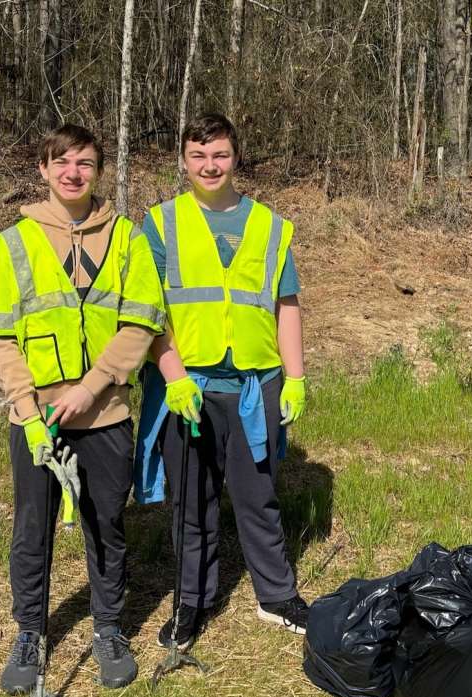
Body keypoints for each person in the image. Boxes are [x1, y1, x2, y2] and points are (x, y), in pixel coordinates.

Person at [0, 124, 166, 693]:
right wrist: (29, 412)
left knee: (105, 525)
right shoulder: (13, 243)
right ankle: (30, 635)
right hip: (36, 420)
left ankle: (109, 629)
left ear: (98, 170)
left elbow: (141, 321)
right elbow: (1, 338)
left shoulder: (130, 239)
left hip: (104, 413)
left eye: (84, 162)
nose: (72, 172)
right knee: (31, 530)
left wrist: (92, 387)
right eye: (61, 162)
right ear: (43, 169)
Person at [134, 113, 309, 652]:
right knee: (192, 501)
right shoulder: (161, 224)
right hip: (187, 389)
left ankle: (276, 596)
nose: (210, 166)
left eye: (221, 155)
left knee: (259, 497)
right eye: (198, 156)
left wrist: (296, 378)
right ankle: (192, 600)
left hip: (255, 387)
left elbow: (287, 306)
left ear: (236, 158)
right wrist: (175, 377)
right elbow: (149, 313)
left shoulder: (270, 226)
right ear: (183, 160)